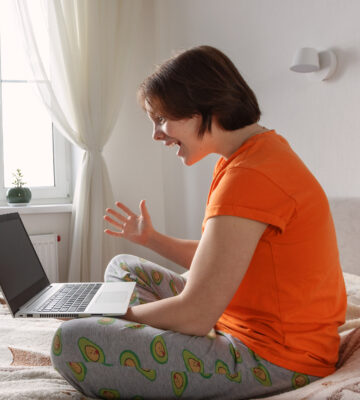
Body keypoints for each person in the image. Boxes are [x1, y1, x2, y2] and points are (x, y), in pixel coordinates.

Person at [50, 45, 347, 399]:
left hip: (276, 360)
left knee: (70, 341)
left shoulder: (250, 175)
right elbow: (221, 262)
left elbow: (195, 316)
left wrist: (116, 315)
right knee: (124, 266)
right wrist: (152, 239)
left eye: (161, 119)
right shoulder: (254, 154)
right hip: (242, 327)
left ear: (202, 108)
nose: (157, 134)